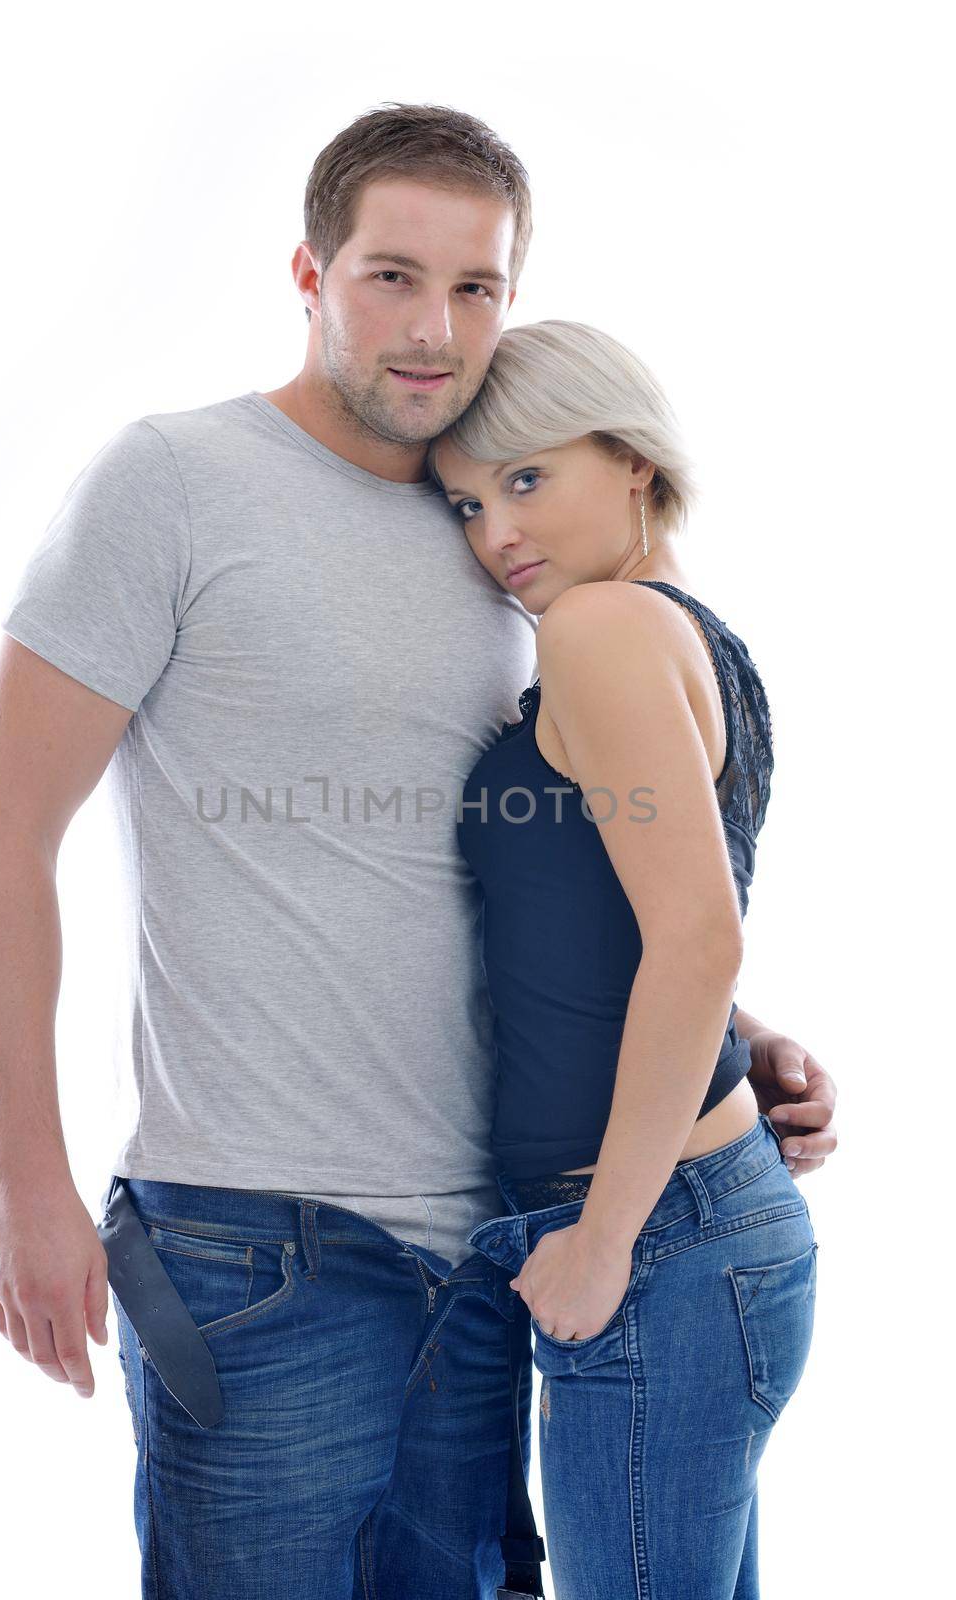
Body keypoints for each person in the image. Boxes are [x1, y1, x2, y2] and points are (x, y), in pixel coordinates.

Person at [0, 104, 837, 1600]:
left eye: (476, 286)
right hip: (256, 1242)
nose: (433, 328)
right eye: (388, 275)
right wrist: (24, 1181)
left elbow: (514, 865)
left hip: (494, 1254)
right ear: (307, 273)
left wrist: (731, 1040)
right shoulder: (171, 482)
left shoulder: (497, 541)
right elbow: (1, 837)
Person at [429, 318, 822, 1597]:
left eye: (527, 478)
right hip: (701, 1224)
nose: (497, 533)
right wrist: (752, 1042)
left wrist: (600, 1241)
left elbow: (696, 935)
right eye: (468, 504)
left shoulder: (597, 629)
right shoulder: (674, 631)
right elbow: (634, 921)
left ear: (634, 462)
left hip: (653, 1241)